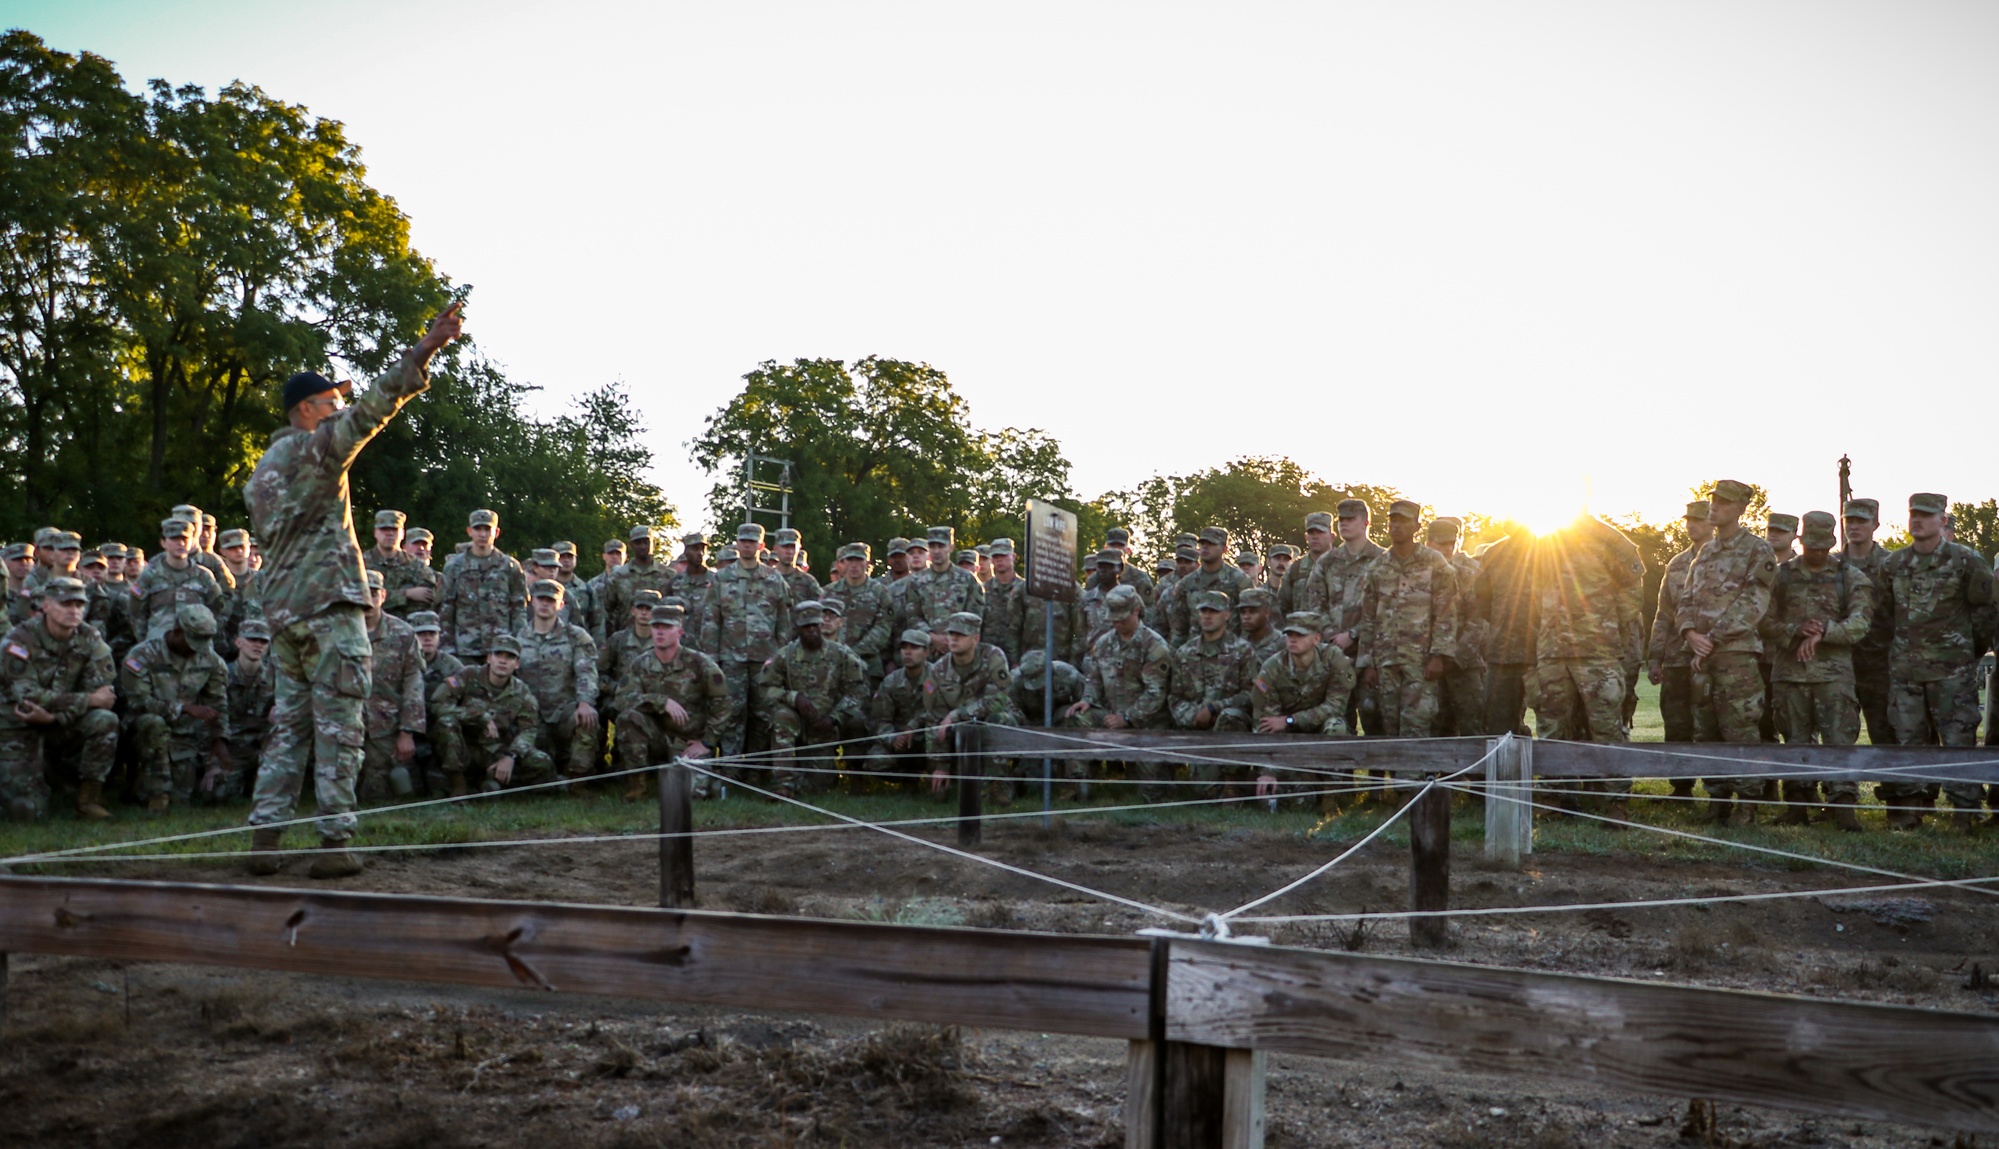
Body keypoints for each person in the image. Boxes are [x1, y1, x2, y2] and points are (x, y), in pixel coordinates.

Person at [241, 300, 461, 878]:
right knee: (340, 728)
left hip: (285, 618)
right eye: (329, 401)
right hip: (330, 611)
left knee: (288, 729)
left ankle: (265, 838)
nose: (338, 405)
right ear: (306, 410)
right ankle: (334, 845)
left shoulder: (261, 474)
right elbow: (371, 411)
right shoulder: (314, 450)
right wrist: (425, 349)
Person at [1878, 492, 1995, 829]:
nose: (1917, 520)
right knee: (1907, 739)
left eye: (1926, 515)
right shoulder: (1895, 564)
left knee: (1958, 739)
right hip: (1905, 670)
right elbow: (1884, 614)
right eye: (1914, 513)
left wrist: (1968, 651)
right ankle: (1912, 810)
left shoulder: (1966, 561)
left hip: (1952, 671)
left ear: (1942, 521)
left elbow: (1986, 612)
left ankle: (1964, 813)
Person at [1762, 511, 1873, 831]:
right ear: (1802, 541)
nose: (1816, 553)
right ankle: (1797, 804)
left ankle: (1842, 806)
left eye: (1822, 547)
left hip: (1833, 677)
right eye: (1811, 546)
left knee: (1839, 741)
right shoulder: (1780, 576)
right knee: (1795, 741)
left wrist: (1824, 631)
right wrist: (1796, 630)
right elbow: (1763, 620)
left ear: (1831, 544)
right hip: (1789, 674)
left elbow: (1861, 622)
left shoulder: (1849, 577)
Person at [1676, 479, 1779, 824]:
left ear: (1740, 508)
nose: (1714, 507)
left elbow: (1754, 603)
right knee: (1705, 730)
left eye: (1723, 502)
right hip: (1703, 657)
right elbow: (1685, 598)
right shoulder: (1706, 552)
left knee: (1740, 728)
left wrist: (1713, 638)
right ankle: (1717, 799)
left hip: (1736, 656)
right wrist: (1690, 633)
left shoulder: (1757, 550)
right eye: (1713, 500)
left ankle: (1747, 803)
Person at [1531, 515, 1645, 822]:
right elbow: (1533, 593)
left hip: (1597, 654)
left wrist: (1604, 628)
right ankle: (1555, 799)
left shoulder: (1610, 541)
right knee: (1552, 731)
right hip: (1553, 652)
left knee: (1606, 728)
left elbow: (1632, 592)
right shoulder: (1546, 539)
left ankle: (1616, 803)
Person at [0, 577, 118, 821]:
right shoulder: (18, 641)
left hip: (58, 719)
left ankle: (88, 801)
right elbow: (27, 695)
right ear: (45, 605)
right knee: (28, 813)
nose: (74, 610)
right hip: (17, 725)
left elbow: (103, 695)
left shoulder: (90, 638)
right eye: (66, 604)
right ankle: (38, 778)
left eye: (79, 604)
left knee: (105, 720)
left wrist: (55, 716)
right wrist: (86, 701)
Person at [1356, 501, 1458, 739]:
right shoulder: (1377, 567)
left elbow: (1446, 610)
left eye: (1403, 521)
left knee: (1418, 723)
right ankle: (1400, 775)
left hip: (1420, 662)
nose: (1396, 526)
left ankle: (1414, 777)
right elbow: (1368, 616)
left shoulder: (1434, 562)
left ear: (1417, 526)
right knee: (1390, 726)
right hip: (1386, 661)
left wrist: (1438, 655)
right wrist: (1367, 662)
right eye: (1393, 521)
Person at [1064, 586, 1173, 800]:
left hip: (1147, 722)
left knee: (1150, 797)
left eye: (1121, 618)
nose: (1116, 623)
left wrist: (1127, 718)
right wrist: (1087, 700)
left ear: (1135, 611)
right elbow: (1094, 677)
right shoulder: (1104, 643)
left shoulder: (1154, 646)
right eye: (1113, 619)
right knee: (1078, 719)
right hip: (1112, 713)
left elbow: (1155, 693)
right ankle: (1078, 787)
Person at [612, 600, 729, 798]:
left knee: (691, 795)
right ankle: (638, 785)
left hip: (690, 742)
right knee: (628, 718)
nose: (659, 632)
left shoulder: (700, 664)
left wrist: (707, 742)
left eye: (666, 627)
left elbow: (723, 704)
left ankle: (706, 777)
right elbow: (622, 698)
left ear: (680, 632)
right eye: (656, 627)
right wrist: (660, 701)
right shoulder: (641, 663)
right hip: (656, 735)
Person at [122, 603, 230, 811]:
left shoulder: (211, 660)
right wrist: (183, 708)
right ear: (177, 632)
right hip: (143, 732)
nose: (195, 649)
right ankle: (154, 793)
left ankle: (162, 785)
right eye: (192, 642)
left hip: (184, 736)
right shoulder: (142, 656)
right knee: (153, 723)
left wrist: (220, 739)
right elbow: (138, 703)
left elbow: (218, 702)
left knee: (185, 799)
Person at [698, 523, 791, 759]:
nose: (747, 545)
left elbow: (784, 621)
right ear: (737, 544)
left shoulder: (774, 578)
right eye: (743, 541)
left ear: (761, 545)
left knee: (763, 715)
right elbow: (711, 620)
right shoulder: (722, 578)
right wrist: (712, 659)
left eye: (752, 541)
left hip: (765, 659)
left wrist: (779, 656)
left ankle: (756, 768)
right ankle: (731, 768)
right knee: (732, 714)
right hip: (731, 658)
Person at [759, 600, 870, 795]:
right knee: (782, 717)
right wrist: (794, 698)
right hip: (797, 721)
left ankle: (845, 779)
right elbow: (766, 689)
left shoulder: (841, 655)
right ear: (798, 628)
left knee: (819, 786)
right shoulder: (785, 655)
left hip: (826, 725)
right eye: (806, 626)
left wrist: (835, 717)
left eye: (815, 625)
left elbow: (858, 692)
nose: (811, 630)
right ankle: (783, 785)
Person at [1250, 611, 1357, 805]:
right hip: (1286, 736)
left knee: (1337, 726)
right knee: (1294, 798)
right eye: (1290, 635)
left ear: (1316, 639)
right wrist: (1268, 771)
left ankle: (1331, 794)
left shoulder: (1333, 659)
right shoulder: (1272, 668)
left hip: (1320, 728)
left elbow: (1335, 707)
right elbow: (1266, 721)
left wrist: (1291, 719)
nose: (1293, 640)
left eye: (1300, 635)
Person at [430, 633, 552, 794]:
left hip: (495, 750)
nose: (503, 660)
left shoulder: (521, 691)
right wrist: (479, 716)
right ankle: (457, 785)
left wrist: (511, 756)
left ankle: (493, 781)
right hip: (464, 746)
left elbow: (529, 729)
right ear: (489, 658)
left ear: (517, 664)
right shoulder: (468, 676)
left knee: (542, 762)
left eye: (509, 657)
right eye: (498, 655)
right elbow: (438, 705)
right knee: (446, 723)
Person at [921, 611, 1019, 801]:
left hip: (994, 718)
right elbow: (934, 716)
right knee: (943, 797)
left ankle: (997, 782)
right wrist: (940, 766)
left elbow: (997, 700)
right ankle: (952, 778)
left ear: (976, 638)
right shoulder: (938, 670)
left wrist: (957, 714)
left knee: (997, 720)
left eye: (961, 635)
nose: (954, 639)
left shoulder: (993, 656)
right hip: (959, 728)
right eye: (951, 634)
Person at [1170, 591, 1258, 794]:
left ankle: (1232, 786)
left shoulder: (1242, 651)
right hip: (1196, 730)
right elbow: (1174, 698)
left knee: (1230, 717)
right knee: (1205, 790)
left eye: (1214, 612)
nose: (1207, 616)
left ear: (1226, 615)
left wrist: (1214, 708)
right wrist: (1194, 716)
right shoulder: (1185, 653)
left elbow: (1251, 694)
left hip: (1231, 728)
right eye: (1203, 611)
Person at [514, 578, 601, 785]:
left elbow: (586, 672)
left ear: (561, 605)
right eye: (541, 599)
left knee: (588, 719)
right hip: (531, 715)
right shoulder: (518, 639)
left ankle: (576, 779)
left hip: (564, 712)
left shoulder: (576, 636)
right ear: (532, 602)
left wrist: (585, 702)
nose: (545, 604)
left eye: (551, 601)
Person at [1649, 502, 1714, 760]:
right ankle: (1681, 786)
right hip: (1677, 659)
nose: (1691, 525)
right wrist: (1655, 658)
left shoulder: (1725, 561)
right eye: (1688, 520)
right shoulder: (1676, 565)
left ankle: (1717, 789)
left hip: (1714, 657)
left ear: (1712, 523)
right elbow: (1663, 615)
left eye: (1698, 520)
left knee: (1711, 725)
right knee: (1676, 724)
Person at [358, 570, 426, 802]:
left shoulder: (403, 634)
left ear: (384, 596)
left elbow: (413, 686)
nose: (368, 599)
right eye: (362, 593)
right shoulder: (339, 632)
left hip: (385, 725)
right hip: (345, 723)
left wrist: (407, 732)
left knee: (386, 790)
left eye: (373, 593)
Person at [1837, 498, 1896, 745]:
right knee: (1838, 733)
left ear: (1875, 524)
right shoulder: (1832, 566)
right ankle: (1838, 784)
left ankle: (1891, 784)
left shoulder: (1891, 565)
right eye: (1849, 520)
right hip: (1840, 664)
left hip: (1880, 664)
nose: (1854, 526)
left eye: (1861, 520)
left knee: (1885, 732)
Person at [437, 509, 527, 660]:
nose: (483, 534)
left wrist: (517, 644)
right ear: (469, 531)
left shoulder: (509, 566)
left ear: (497, 532)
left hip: (501, 649)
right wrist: (448, 649)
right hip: (465, 649)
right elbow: (446, 609)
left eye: (487, 529)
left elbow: (519, 608)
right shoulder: (454, 567)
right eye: (478, 529)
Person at [130, 516, 226, 642]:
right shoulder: (149, 576)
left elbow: (217, 609)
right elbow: (136, 612)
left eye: (185, 539)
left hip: (195, 645)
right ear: (163, 542)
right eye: (174, 539)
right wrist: (147, 641)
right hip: (159, 645)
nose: (180, 543)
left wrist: (207, 634)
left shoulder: (204, 576)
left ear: (191, 542)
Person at [864, 629, 936, 782]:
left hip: (928, 739)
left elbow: (939, 710)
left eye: (914, 648)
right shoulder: (891, 681)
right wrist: (893, 738)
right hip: (900, 741)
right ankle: (907, 778)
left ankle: (937, 775)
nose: (907, 652)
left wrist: (913, 726)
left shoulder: (938, 677)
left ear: (926, 652)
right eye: (904, 648)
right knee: (876, 759)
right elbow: (880, 720)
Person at [219, 618, 276, 801]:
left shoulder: (275, 679)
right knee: (218, 795)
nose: (258, 645)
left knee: (273, 795)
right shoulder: (223, 676)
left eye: (263, 641)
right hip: (231, 748)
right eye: (252, 639)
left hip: (263, 747)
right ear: (238, 642)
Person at [1165, 527, 1252, 647]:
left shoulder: (1239, 581)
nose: (1205, 547)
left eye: (1211, 544)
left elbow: (1249, 624)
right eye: (1202, 544)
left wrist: (1241, 651)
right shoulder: (1186, 583)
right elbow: (1179, 629)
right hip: (1195, 654)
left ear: (1224, 549)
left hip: (1230, 654)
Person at [821, 543, 894, 684]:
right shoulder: (828, 592)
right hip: (833, 662)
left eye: (859, 560)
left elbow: (883, 628)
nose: (854, 565)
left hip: (867, 664)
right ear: (843, 563)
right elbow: (821, 625)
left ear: (867, 563)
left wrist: (854, 652)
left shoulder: (880, 593)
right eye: (850, 560)